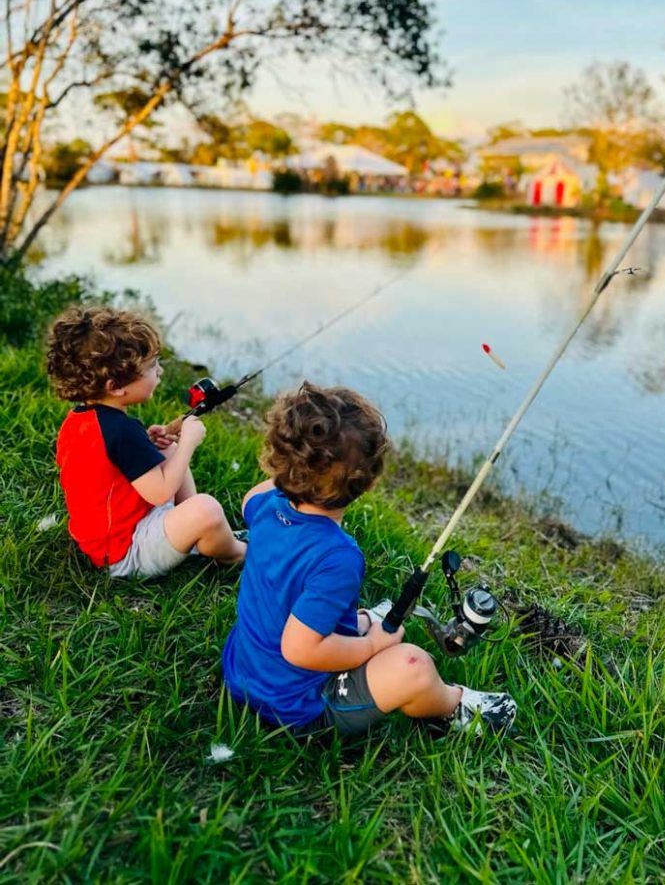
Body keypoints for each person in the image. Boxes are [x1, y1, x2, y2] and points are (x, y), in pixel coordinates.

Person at [222, 381, 517, 737]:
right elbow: (300, 648)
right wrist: (373, 645)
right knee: (413, 666)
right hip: (297, 706)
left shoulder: (265, 505)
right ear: (370, 483)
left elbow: (254, 497)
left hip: (243, 674)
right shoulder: (338, 557)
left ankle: (359, 626)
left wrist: (294, 466)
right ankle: (453, 708)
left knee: (340, 618)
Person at [46, 306, 247, 578]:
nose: (160, 371)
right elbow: (160, 493)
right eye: (152, 366)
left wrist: (149, 445)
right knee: (206, 508)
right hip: (125, 553)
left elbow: (111, 466)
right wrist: (188, 442)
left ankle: (198, 533)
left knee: (167, 449)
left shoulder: (80, 421)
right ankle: (236, 552)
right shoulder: (121, 431)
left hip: (106, 538)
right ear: (115, 386)